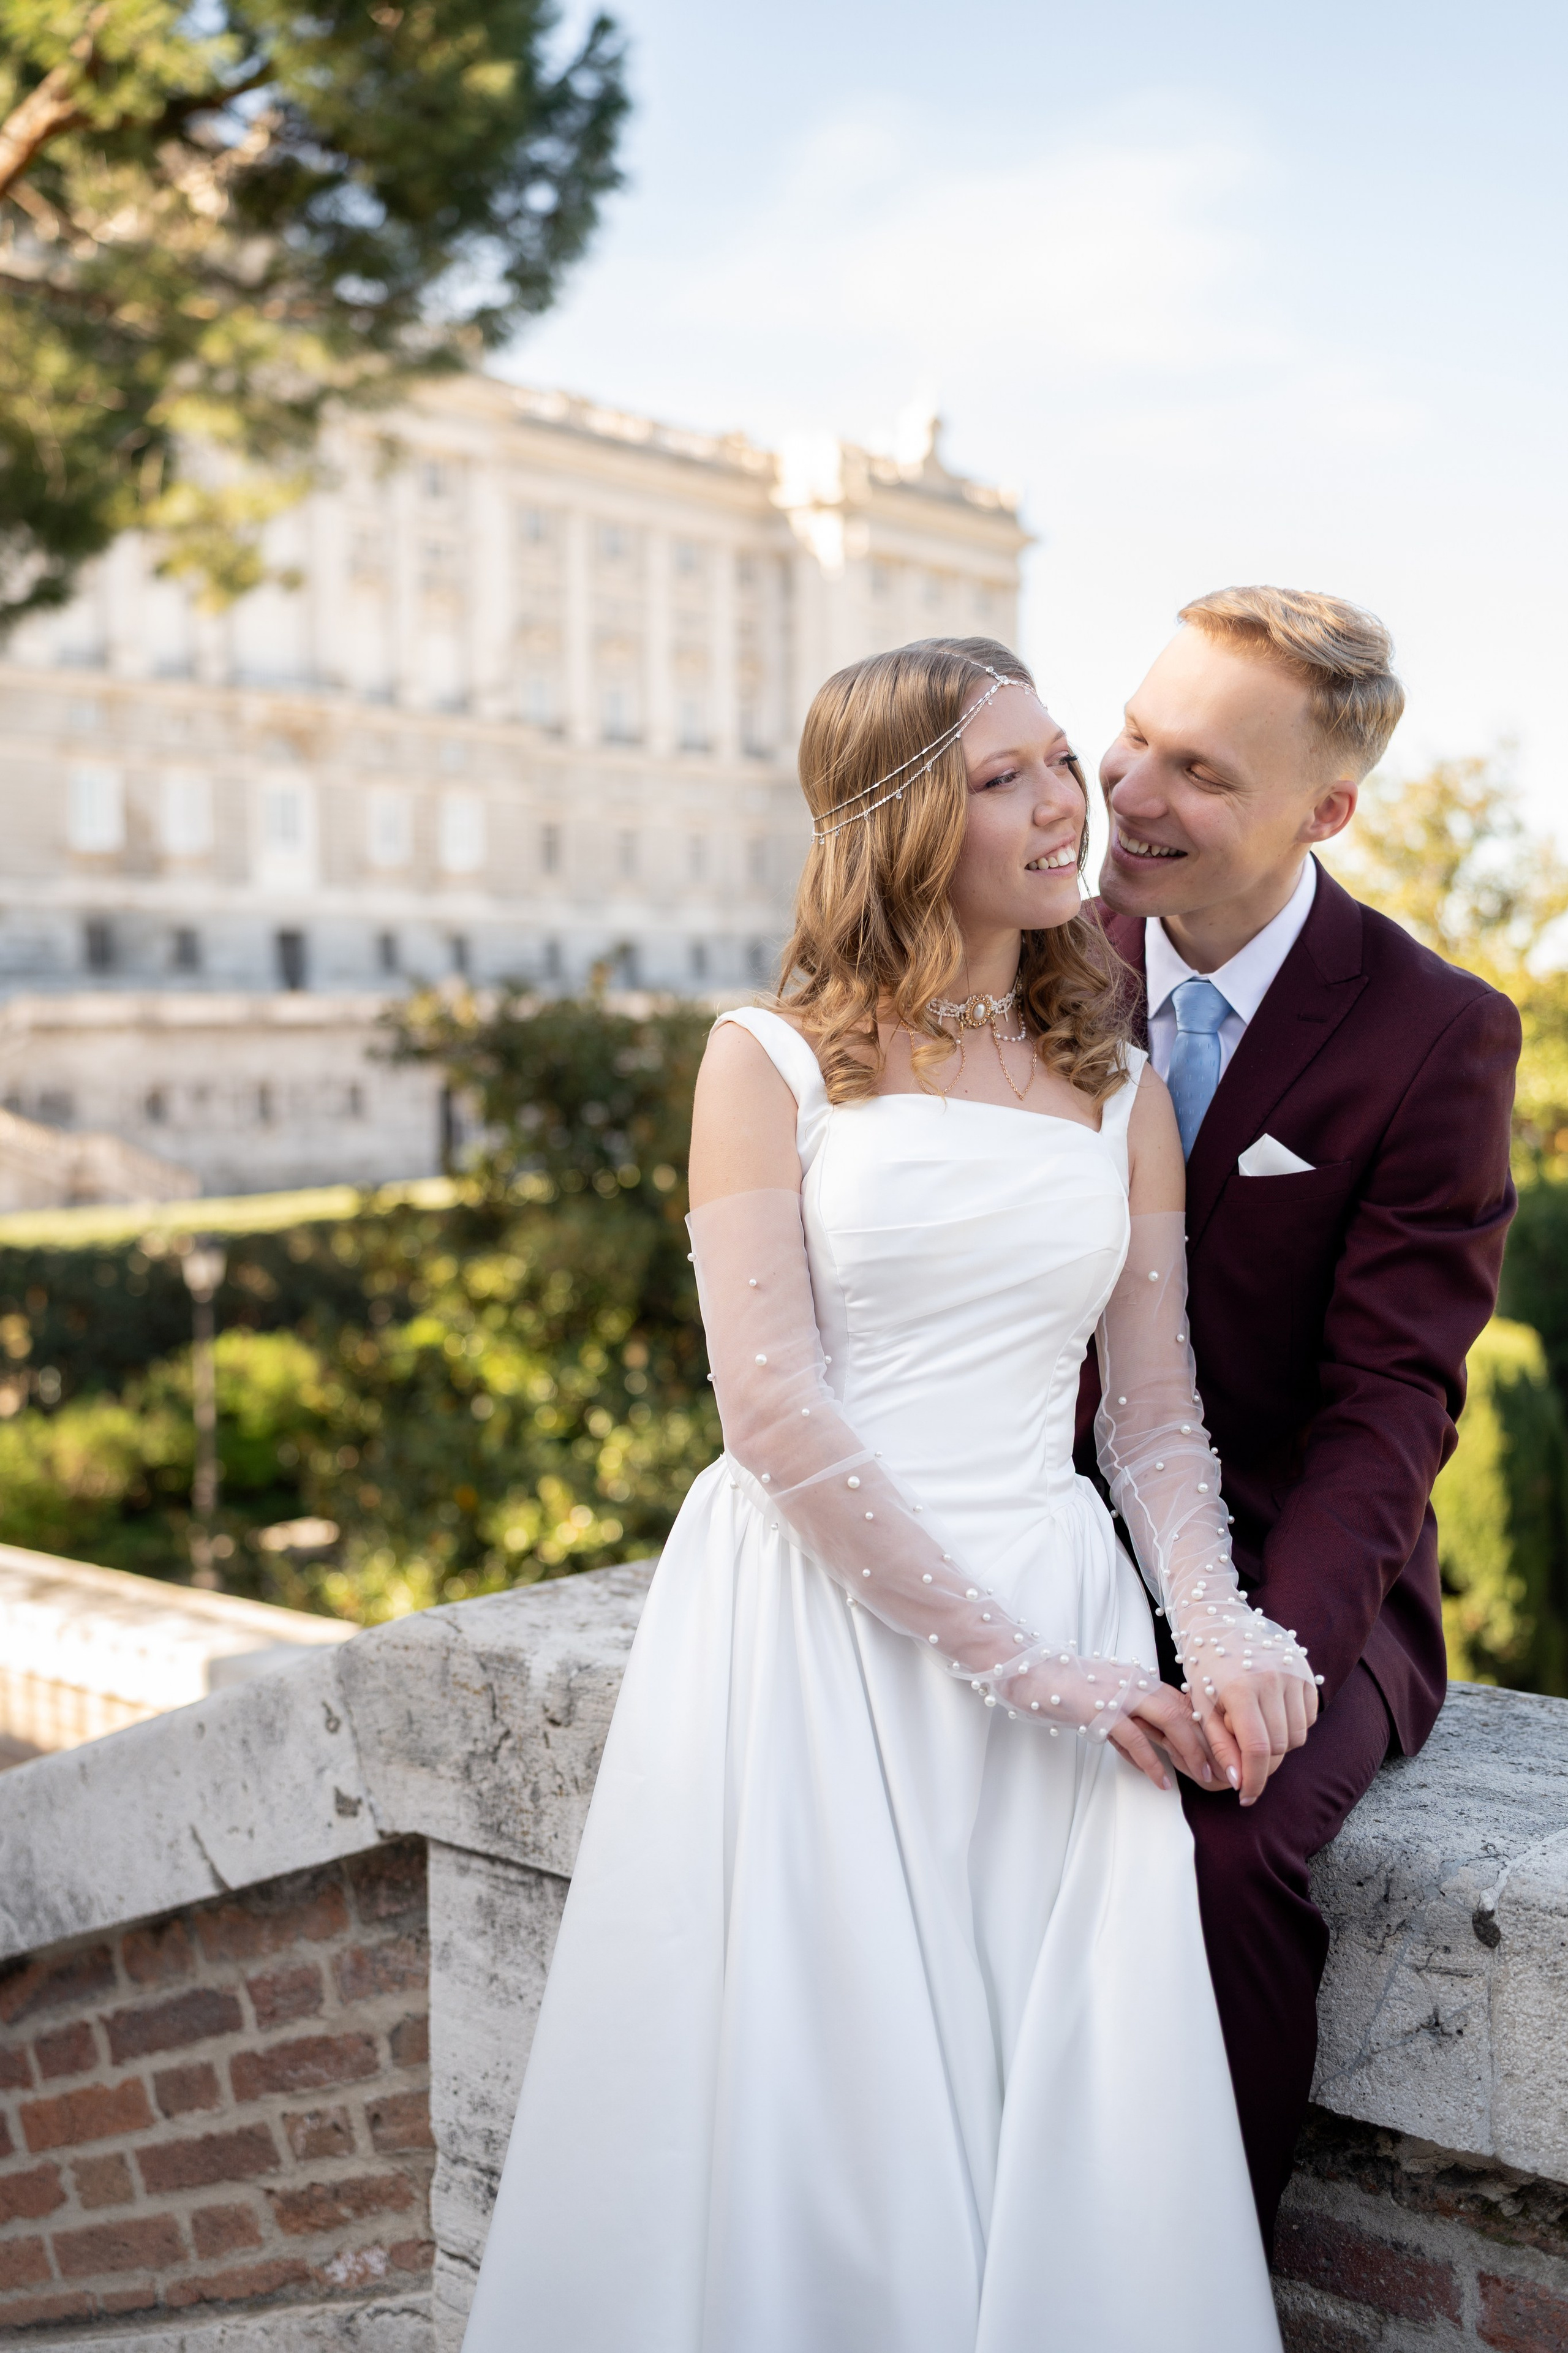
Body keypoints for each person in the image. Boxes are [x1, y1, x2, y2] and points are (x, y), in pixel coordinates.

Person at [462, 636, 1306, 2352]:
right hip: (818, 1635)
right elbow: (774, 1409)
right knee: (823, 2115)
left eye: (1059, 759)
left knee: (1066, 2108)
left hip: (1064, 1602)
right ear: (899, 818)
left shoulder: (1120, 1082)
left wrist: (1216, 1628)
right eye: (1004, 777)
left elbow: (1155, 1418)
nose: (1065, 804)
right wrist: (1032, 1668)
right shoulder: (766, 1059)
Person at [1077, 585, 1521, 2249]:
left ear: (1325, 814)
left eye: (1199, 771)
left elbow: (1390, 1399)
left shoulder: (1435, 1034)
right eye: (1135, 734)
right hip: (1045, 1538)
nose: (1129, 789)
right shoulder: (1027, 960)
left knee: (1225, 1849)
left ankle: (1190, 2278)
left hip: (1298, 1575)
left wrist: (1265, 1650)